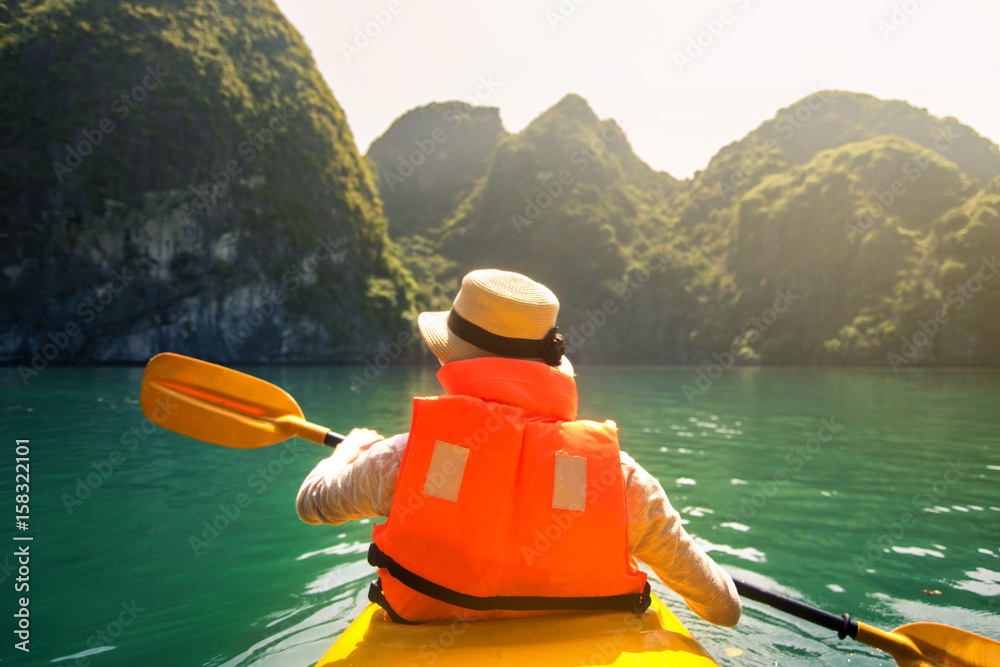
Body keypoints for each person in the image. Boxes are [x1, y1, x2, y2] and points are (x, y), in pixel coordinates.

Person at [297, 269, 741, 626]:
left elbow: (312, 504)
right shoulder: (619, 479)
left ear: (450, 359)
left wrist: (350, 450)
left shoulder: (405, 459)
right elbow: (724, 610)